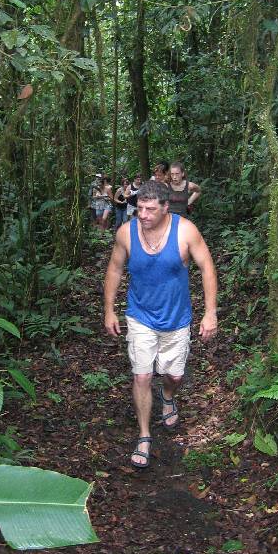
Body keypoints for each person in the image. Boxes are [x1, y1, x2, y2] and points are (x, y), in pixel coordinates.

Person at [104, 180, 217, 469]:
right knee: (142, 375)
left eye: (150, 209)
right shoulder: (126, 233)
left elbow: (207, 267)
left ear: (166, 208)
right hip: (140, 315)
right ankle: (144, 435)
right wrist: (109, 311)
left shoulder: (185, 231)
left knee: (174, 376)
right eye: (139, 208)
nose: (142, 214)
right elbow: (115, 269)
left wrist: (210, 312)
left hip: (176, 319)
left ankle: (167, 396)